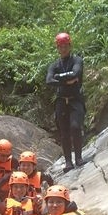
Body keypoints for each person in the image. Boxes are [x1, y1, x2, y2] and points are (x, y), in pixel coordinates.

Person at [45, 32, 85, 173]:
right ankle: (68, 161)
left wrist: (59, 78)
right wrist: (66, 80)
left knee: (75, 127)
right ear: (57, 48)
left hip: (75, 100)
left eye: (65, 46)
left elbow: (75, 73)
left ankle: (78, 158)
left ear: (70, 46)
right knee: (64, 132)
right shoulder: (55, 65)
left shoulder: (77, 60)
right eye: (60, 46)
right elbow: (49, 80)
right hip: (62, 101)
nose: (63, 49)